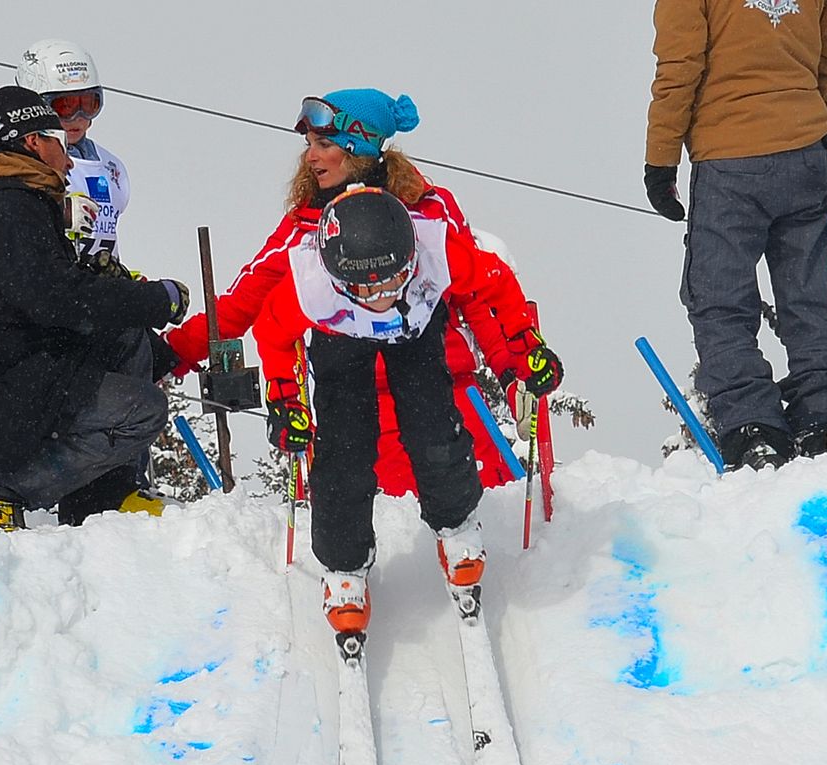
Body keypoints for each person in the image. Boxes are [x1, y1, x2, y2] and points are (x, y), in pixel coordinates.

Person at [167, 88, 556, 495]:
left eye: (323, 145)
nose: (310, 157)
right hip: (360, 404)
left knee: (476, 510)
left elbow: (474, 296)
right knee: (390, 518)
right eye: (309, 145)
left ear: (357, 149)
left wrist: (511, 371)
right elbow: (240, 306)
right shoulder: (307, 228)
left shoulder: (426, 209)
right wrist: (169, 354)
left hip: (446, 392)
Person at [253, 188, 563, 634]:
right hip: (341, 336)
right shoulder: (310, 284)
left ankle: (456, 524)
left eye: (390, 279)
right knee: (343, 447)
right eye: (367, 287)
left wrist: (526, 346)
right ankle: (343, 565)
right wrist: (285, 401)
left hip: (415, 327)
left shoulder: (439, 251)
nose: (380, 295)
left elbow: (496, 283)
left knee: (434, 423)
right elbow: (273, 335)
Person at [0, 85, 190, 530]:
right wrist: (156, 300)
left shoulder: (0, 201)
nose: (70, 160)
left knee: (126, 339)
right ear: (33, 141)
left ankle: (102, 498)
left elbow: (42, 297)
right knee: (143, 410)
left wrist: (143, 329)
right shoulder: (11, 204)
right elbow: (55, 300)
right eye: (60, 140)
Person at [644, 0, 827, 469]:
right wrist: (822, 134)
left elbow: (680, 66)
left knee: (720, 302)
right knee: (810, 295)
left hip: (729, 160)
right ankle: (825, 417)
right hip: (805, 151)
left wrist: (661, 159)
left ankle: (752, 424)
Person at [16, 38, 129, 264]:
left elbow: (107, 238)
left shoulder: (112, 168)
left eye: (87, 105)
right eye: (64, 107)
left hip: (94, 283)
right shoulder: (24, 165)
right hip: (54, 278)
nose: (77, 118)